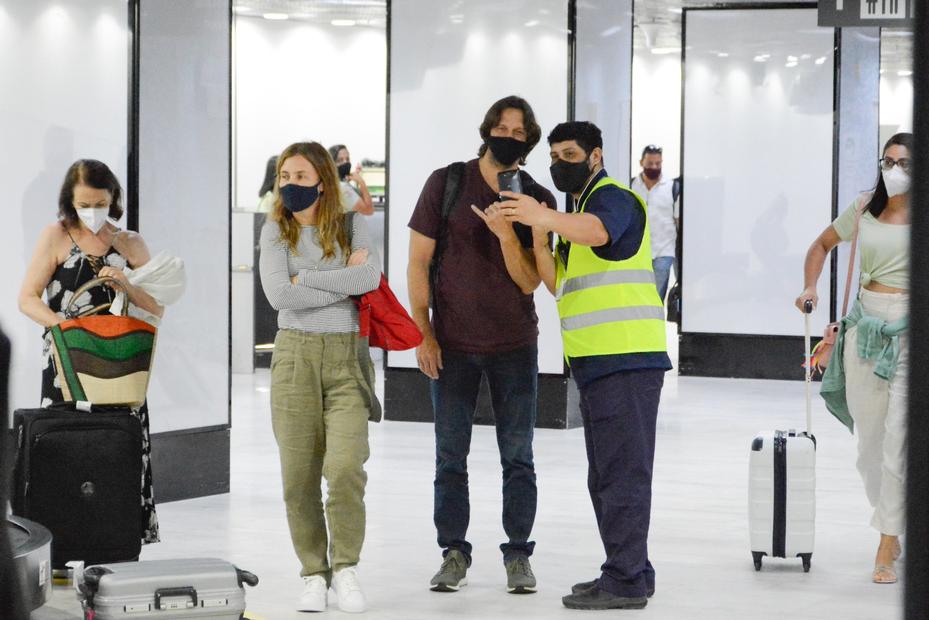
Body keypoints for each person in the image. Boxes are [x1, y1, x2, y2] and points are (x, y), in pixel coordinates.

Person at [500, 121, 671, 610]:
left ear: (596, 155)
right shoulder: (574, 213)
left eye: (569, 153)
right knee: (607, 476)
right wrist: (532, 232)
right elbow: (559, 286)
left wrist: (545, 217)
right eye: (553, 155)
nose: (559, 163)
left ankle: (625, 581)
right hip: (597, 363)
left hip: (626, 360)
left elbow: (599, 232)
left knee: (622, 475)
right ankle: (631, 568)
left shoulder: (614, 199)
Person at [407, 95, 556, 594]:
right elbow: (417, 263)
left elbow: (531, 282)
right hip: (450, 345)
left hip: (514, 344)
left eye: (519, 132)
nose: (508, 136)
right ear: (486, 129)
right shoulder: (446, 182)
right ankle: (453, 551)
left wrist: (506, 233)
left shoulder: (536, 198)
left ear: (528, 142)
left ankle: (518, 555)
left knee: (518, 455)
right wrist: (423, 333)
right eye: (501, 127)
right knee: (450, 455)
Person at [17, 159, 166, 546]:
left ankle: (115, 540)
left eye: (100, 203)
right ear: (70, 202)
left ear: (113, 198)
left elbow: (156, 306)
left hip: (119, 362)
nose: (92, 212)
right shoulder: (56, 236)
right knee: (65, 451)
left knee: (117, 450)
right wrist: (58, 327)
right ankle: (63, 543)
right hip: (68, 361)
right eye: (84, 204)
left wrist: (126, 283)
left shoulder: (130, 242)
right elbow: (27, 297)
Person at [259, 141, 380, 613]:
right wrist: (334, 281)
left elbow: (367, 279)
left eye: (301, 176)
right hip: (294, 359)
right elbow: (276, 297)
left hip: (347, 358)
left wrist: (303, 280)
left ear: (323, 182)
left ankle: (345, 568)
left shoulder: (353, 224)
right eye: (284, 176)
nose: (290, 184)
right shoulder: (274, 231)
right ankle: (314, 572)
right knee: (298, 476)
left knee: (346, 467)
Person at [795, 132, 912, 585]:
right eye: (888, 160)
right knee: (869, 447)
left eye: (904, 162)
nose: (894, 169)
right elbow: (820, 245)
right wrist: (810, 286)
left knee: (899, 444)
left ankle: (886, 539)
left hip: (909, 331)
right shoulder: (865, 207)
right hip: (865, 328)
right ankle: (891, 520)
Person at [629, 145, 678, 302]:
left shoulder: (671, 187)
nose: (654, 167)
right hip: (637, 251)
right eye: (650, 163)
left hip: (663, 251)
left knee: (656, 299)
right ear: (641, 162)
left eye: (658, 163)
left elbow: (677, 221)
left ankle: (655, 325)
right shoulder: (631, 185)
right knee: (637, 297)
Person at [329, 144, 375, 215]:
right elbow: (369, 211)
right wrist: (361, 182)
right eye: (340, 160)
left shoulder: (333, 184)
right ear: (331, 164)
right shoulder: (343, 188)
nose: (345, 162)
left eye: (347, 159)